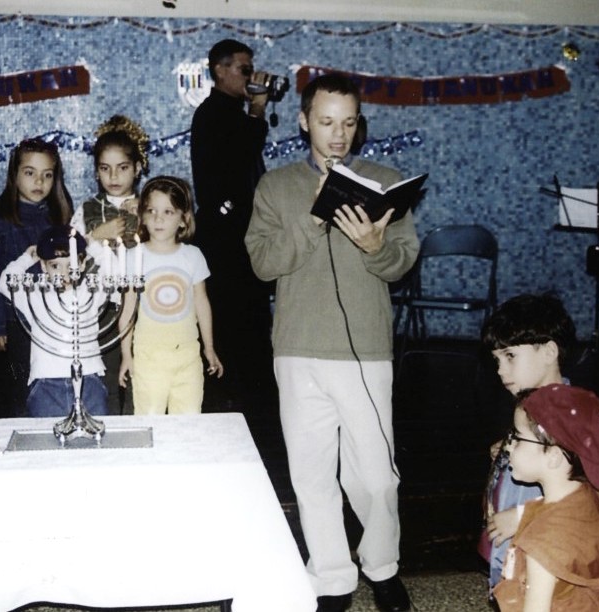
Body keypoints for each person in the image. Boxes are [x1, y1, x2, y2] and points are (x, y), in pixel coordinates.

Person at [245, 73, 420, 612]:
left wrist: (374, 246)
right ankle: (332, 578)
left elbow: (402, 261)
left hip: (365, 349)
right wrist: (314, 215)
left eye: (348, 122)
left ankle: (382, 566)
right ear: (304, 121)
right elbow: (263, 263)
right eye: (326, 122)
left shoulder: (385, 182)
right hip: (298, 347)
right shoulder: (276, 186)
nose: (338, 135)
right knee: (312, 474)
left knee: (377, 477)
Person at [491, 384, 599, 611]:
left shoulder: (543, 544)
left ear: (554, 457)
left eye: (517, 437)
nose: (508, 447)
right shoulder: (594, 498)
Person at [190, 38, 275, 406]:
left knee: (249, 320)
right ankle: (233, 399)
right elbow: (244, 150)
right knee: (232, 321)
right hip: (225, 237)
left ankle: (249, 399)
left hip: (239, 233)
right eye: (244, 69)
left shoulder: (229, 114)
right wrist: (258, 106)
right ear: (219, 71)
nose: (251, 77)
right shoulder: (212, 113)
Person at [479, 294, 577, 597]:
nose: (500, 370)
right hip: (514, 541)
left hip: (541, 548)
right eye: (497, 360)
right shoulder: (531, 405)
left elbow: (582, 496)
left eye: (510, 356)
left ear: (549, 351)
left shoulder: (570, 417)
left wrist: (523, 516)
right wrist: (510, 445)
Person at [0, 139, 73, 415]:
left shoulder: (59, 215)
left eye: (47, 175)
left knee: (52, 378)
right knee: (22, 385)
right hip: (16, 320)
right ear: (15, 175)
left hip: (53, 316)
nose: (39, 181)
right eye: (30, 173)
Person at [118, 176, 223, 415]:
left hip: (187, 355)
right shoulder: (135, 257)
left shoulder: (193, 256)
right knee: (150, 419)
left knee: (188, 420)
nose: (158, 219)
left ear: (183, 219)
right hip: (148, 356)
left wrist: (209, 348)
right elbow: (128, 309)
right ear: (142, 216)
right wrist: (126, 354)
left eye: (168, 212)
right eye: (151, 211)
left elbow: (201, 303)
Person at [70, 114, 149, 415]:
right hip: (101, 308)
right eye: (105, 168)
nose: (114, 176)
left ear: (137, 168)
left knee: (139, 376)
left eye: (123, 168)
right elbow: (68, 258)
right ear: (96, 172)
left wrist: (143, 216)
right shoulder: (87, 209)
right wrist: (94, 236)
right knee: (107, 376)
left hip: (142, 307)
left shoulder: (149, 206)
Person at [0, 226, 109, 418]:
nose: (63, 273)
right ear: (43, 266)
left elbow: (114, 274)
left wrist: (92, 247)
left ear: (82, 264)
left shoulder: (90, 291)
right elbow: (5, 282)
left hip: (89, 379)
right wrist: (28, 258)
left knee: (94, 432)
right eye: (55, 266)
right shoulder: (35, 294)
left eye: (71, 265)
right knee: (46, 433)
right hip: (46, 382)